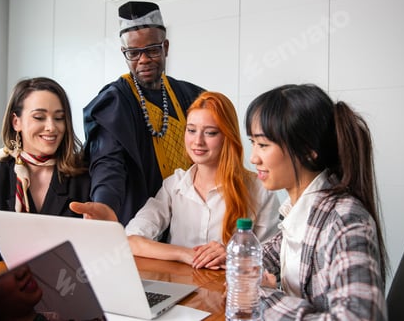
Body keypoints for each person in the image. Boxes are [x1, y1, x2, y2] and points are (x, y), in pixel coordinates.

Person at [71, 91, 280, 270]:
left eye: (210, 133)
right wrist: (187, 254)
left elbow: (273, 262)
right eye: (191, 130)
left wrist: (233, 255)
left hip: (231, 294)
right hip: (181, 289)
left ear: (228, 137)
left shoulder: (261, 189)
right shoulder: (174, 185)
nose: (197, 141)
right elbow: (132, 240)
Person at [245, 84, 388, 320]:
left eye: (263, 145)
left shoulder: (344, 219)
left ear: (308, 151)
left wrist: (266, 298)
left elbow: (361, 316)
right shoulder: (300, 211)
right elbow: (257, 259)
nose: (253, 158)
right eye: (252, 142)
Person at [82, 1, 204, 225]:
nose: (144, 60)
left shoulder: (191, 96)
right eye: (134, 53)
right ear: (124, 53)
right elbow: (108, 162)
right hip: (141, 225)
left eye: (151, 50)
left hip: (190, 223)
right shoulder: (115, 101)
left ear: (165, 47)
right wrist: (104, 204)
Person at [0, 77, 90, 263]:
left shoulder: (84, 178)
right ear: (16, 122)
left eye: (59, 118)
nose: (51, 127)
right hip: (9, 289)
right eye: (39, 117)